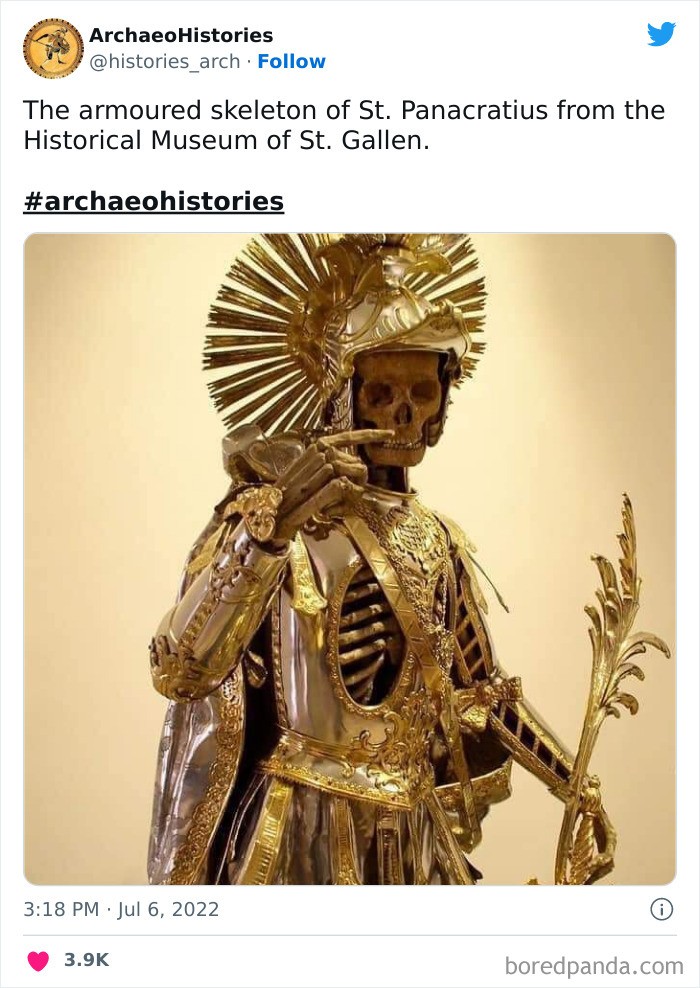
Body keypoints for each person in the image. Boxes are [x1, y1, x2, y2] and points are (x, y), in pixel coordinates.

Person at [147, 233, 614, 885]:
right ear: (345, 392)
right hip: (302, 826)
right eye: (383, 392)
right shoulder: (276, 515)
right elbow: (179, 668)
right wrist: (267, 536)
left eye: (422, 392)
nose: (403, 415)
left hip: (415, 832)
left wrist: (576, 784)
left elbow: (484, 691)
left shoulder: (436, 538)